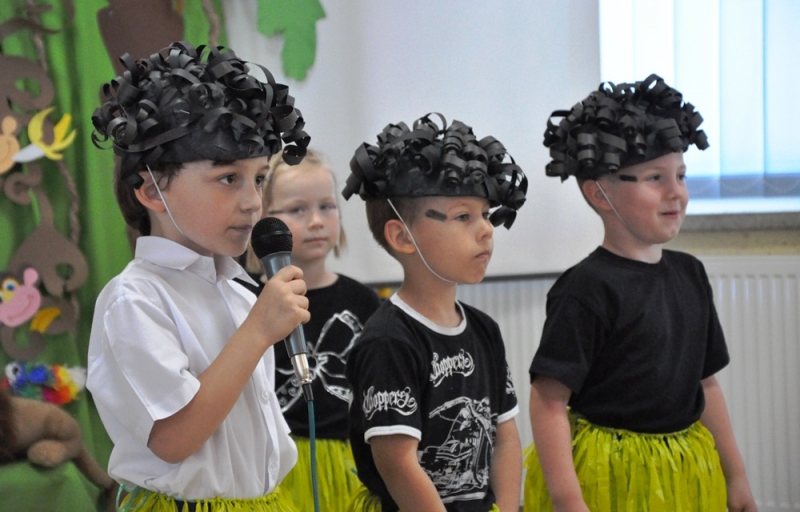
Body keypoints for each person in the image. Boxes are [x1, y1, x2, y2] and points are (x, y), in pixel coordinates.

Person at [86, 41, 312, 512]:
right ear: (152, 190)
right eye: (228, 178)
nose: (253, 202)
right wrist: (257, 332)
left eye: (259, 178)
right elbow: (174, 438)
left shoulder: (237, 290)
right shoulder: (135, 299)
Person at [524, 74, 758, 512]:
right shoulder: (585, 289)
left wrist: (737, 476)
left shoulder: (690, 274)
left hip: (685, 469)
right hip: (611, 477)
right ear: (600, 193)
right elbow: (549, 401)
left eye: (681, 176)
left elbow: (706, 384)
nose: (676, 193)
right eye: (655, 177)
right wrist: (568, 499)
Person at [341, 113, 528, 512]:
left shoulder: (485, 330)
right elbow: (398, 463)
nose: (486, 229)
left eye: (485, 214)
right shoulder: (388, 341)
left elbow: (506, 437)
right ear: (402, 236)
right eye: (463, 216)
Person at [241, 150, 382, 511]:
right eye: (297, 210)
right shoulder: (246, 302)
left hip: (352, 463)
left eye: (327, 206)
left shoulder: (364, 301)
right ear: (262, 219)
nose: (317, 221)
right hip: (279, 464)